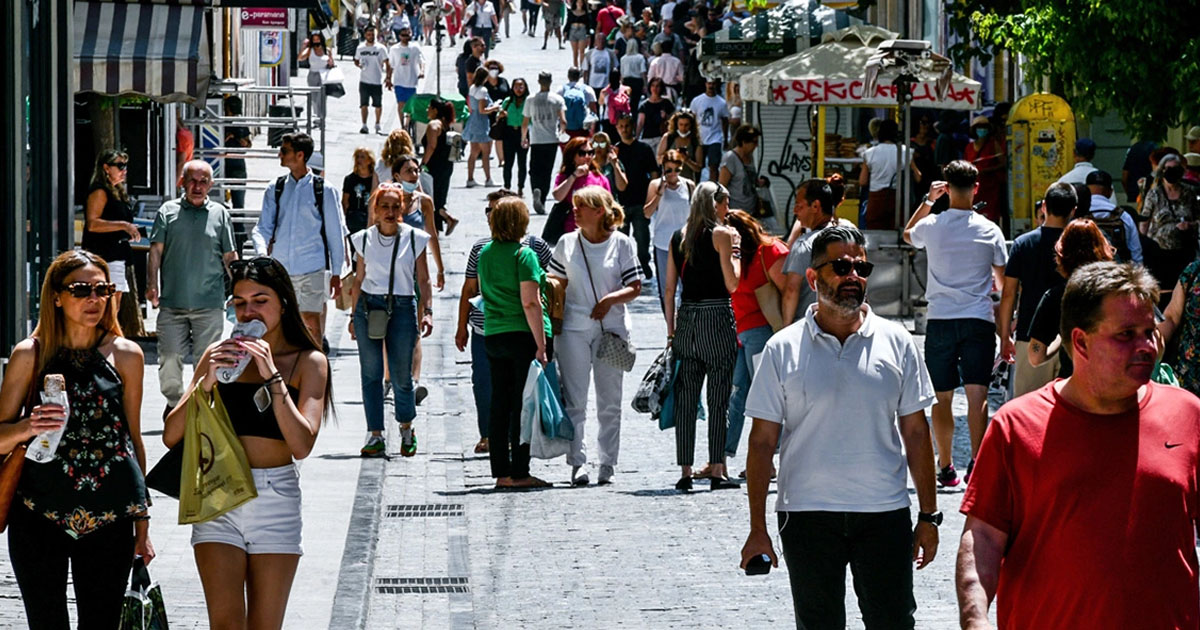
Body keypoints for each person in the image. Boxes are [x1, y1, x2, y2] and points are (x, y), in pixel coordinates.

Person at [958, 262, 1200, 628]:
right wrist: (974, 619)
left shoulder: (1188, 414)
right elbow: (983, 539)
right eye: (1126, 334)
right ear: (1081, 342)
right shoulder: (1016, 426)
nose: (1146, 346)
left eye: (1149, 331)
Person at [740, 224, 939, 630]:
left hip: (883, 513)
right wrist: (757, 529)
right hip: (807, 514)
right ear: (812, 277)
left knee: (894, 623)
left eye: (861, 268)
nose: (854, 277)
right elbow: (761, 444)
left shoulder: (897, 341)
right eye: (841, 267)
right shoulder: (782, 349)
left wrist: (929, 516)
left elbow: (917, 433)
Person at [163, 256, 331, 629]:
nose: (249, 311)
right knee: (224, 623)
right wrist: (206, 382)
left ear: (282, 303)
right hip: (219, 493)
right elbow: (171, 435)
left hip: (275, 499)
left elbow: (302, 443)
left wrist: (273, 375)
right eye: (239, 303)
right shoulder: (216, 355)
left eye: (260, 300)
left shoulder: (308, 361)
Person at [0, 250, 153, 629]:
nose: (94, 300)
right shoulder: (30, 355)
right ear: (56, 295)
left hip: (110, 513)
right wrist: (27, 427)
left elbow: (131, 440)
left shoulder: (126, 355)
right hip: (38, 512)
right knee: (46, 622)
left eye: (103, 290)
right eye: (81, 289)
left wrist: (143, 523)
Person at [903, 161, 1007, 488]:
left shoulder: (932, 224)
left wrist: (928, 200)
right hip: (978, 319)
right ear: (976, 188)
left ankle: (946, 466)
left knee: (942, 396)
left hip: (941, 319)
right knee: (978, 395)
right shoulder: (990, 230)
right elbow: (1003, 284)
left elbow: (908, 234)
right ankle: (977, 463)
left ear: (946, 188)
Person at [549, 186, 642, 486]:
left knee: (609, 401)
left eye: (581, 207)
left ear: (599, 211)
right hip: (573, 330)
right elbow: (555, 282)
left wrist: (610, 300)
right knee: (575, 399)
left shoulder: (622, 244)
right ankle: (578, 462)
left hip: (611, 330)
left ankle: (608, 463)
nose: (574, 211)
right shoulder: (566, 243)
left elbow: (635, 286)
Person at [457, 190, 553, 454]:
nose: (491, 216)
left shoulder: (526, 248)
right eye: (488, 211)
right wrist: (461, 326)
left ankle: (501, 459)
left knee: (501, 394)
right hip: (513, 330)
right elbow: (528, 301)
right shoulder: (500, 251)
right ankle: (513, 456)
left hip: (496, 330)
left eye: (495, 211)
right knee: (503, 389)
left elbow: (553, 280)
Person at [663, 181, 740, 491]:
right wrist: (736, 251)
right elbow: (732, 283)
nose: (728, 209)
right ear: (714, 204)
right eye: (725, 203)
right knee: (718, 396)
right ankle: (718, 468)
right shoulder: (721, 235)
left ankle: (686, 470)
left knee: (686, 398)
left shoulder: (678, 237)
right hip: (716, 316)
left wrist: (670, 332)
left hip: (687, 319)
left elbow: (669, 289)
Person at [347, 184, 434, 457]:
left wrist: (427, 311)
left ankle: (406, 427)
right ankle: (375, 434)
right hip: (368, 306)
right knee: (370, 373)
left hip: (402, 306)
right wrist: (352, 315)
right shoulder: (362, 238)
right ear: (374, 209)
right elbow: (359, 279)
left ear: (403, 209)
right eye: (384, 206)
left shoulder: (415, 238)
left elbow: (423, 279)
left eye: (395, 206)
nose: (390, 211)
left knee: (400, 374)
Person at [147, 160, 238, 414]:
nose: (198, 187)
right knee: (168, 358)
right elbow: (155, 251)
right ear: (183, 182)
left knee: (206, 361)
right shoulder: (168, 211)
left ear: (210, 184)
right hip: (172, 303)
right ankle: (175, 404)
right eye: (193, 181)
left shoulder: (220, 214)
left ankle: (201, 404)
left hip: (209, 303)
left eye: (203, 181)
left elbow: (230, 256)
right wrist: (152, 285)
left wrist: (240, 291)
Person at [252, 132, 348, 348]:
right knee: (279, 325)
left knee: (311, 323)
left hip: (311, 268)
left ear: (300, 155)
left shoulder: (323, 190)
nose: (280, 154)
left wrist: (336, 273)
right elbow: (263, 227)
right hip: (280, 270)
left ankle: (316, 374)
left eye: (284, 151)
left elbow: (335, 233)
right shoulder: (275, 188)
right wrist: (261, 254)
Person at [722, 209, 787, 467]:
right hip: (741, 333)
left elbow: (789, 289)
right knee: (737, 395)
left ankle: (771, 458)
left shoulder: (768, 251)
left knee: (766, 398)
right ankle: (722, 457)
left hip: (761, 332)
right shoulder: (735, 257)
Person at [997, 182, 1074, 398]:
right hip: (1072, 337)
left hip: (1029, 335)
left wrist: (1005, 335)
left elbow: (1009, 293)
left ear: (1044, 207)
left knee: (1028, 411)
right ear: (1073, 210)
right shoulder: (1078, 244)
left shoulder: (1023, 244)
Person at [1026, 218, 1115, 380]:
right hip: (1116, 382)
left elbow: (1035, 355)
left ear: (1062, 255)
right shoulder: (1121, 289)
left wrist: (1062, 339)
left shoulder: (1056, 296)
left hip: (1075, 386)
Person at [780, 176, 842, 325]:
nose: (795, 211)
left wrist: (785, 329)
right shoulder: (848, 239)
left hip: (808, 327)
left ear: (815, 206)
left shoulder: (805, 244)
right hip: (842, 326)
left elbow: (791, 290)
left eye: (799, 205)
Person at [83, 149, 141, 306]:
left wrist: (129, 229)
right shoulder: (100, 191)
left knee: (114, 305)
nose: (124, 170)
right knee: (107, 305)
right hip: (104, 256)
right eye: (120, 166)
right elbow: (93, 224)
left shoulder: (118, 191)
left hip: (118, 254)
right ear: (106, 168)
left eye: (126, 166)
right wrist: (123, 225)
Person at [644, 149, 695, 307]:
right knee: (667, 289)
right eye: (668, 170)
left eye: (676, 170)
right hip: (663, 243)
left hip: (685, 243)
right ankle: (670, 326)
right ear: (663, 168)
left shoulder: (689, 185)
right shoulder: (655, 185)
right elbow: (647, 213)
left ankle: (685, 323)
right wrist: (659, 194)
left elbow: (694, 213)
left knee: (687, 287)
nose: (672, 174)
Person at [1142, 153, 1200, 289]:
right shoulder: (1154, 194)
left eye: (1175, 168)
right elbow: (1145, 221)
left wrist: (1190, 225)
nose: (1172, 172)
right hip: (1160, 252)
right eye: (1168, 168)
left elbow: (1198, 218)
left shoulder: (1189, 193)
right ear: (1162, 170)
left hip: (1184, 251)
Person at [614, 114, 659, 278]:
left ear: (632, 127)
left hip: (641, 200)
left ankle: (644, 263)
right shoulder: (615, 151)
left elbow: (654, 172)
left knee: (642, 237)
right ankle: (623, 269)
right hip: (621, 203)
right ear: (617, 128)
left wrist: (654, 196)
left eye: (627, 126)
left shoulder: (644, 149)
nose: (625, 129)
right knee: (620, 239)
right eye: (621, 126)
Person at [392, 155, 447, 284]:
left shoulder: (424, 201)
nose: (414, 175)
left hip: (416, 266)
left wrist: (440, 269)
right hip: (389, 264)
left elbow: (432, 236)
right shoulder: (386, 201)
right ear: (397, 176)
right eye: (408, 171)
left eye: (416, 171)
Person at [861, 119, 920, 230]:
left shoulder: (869, 153)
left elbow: (862, 181)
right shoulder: (906, 152)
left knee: (875, 235)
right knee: (897, 235)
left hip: (876, 200)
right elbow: (918, 177)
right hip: (898, 200)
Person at [523, 71, 568, 214]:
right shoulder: (557, 99)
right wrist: (561, 132)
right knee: (547, 171)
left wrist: (524, 137)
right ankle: (542, 198)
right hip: (551, 139)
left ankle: (536, 188)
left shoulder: (530, 99)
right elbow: (563, 121)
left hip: (536, 139)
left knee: (534, 169)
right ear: (550, 81)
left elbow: (525, 122)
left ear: (538, 81)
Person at [552, 137, 612, 235]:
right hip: (571, 230)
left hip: (595, 231)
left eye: (590, 153)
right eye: (582, 154)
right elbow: (558, 196)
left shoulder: (599, 178)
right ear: (572, 156)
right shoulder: (565, 176)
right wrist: (574, 176)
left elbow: (609, 205)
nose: (587, 157)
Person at [1083, 169, 1142, 263]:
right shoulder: (1123, 216)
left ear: (1086, 190)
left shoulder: (1078, 215)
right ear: (1110, 192)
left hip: (1086, 274)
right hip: (1117, 273)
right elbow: (1136, 253)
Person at [421, 98, 460, 233]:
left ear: (435, 110)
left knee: (431, 199)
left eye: (429, 108)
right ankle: (444, 221)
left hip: (434, 167)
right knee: (439, 197)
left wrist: (423, 163)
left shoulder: (433, 125)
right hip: (446, 166)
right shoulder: (445, 124)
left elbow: (431, 146)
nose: (427, 110)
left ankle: (443, 221)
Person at [964, 115, 1006, 226]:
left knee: (990, 216)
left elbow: (1003, 163)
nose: (982, 130)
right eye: (979, 127)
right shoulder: (969, 147)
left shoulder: (993, 144)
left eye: (984, 127)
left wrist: (987, 170)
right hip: (974, 188)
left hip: (990, 187)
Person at [384, 26, 426, 130]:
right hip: (399, 81)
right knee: (401, 104)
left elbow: (421, 60)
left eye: (408, 35)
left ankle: (408, 124)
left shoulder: (415, 48)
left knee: (411, 106)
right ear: (399, 36)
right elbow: (391, 65)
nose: (406, 37)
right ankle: (402, 125)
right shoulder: (394, 49)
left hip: (411, 81)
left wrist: (422, 71)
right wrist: (388, 78)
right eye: (403, 35)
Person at [464, 67, 499, 188]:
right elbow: (482, 110)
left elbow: (471, 106)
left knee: (473, 152)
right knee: (486, 152)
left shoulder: (472, 88)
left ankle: (470, 178)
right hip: (481, 122)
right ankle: (488, 179)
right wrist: (495, 107)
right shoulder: (483, 91)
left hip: (473, 120)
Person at [688, 79, 729, 181]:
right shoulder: (697, 101)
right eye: (709, 83)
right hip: (700, 138)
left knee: (713, 166)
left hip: (715, 138)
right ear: (705, 84)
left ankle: (712, 188)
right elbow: (691, 118)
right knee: (698, 166)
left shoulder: (721, 103)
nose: (711, 86)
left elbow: (725, 121)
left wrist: (725, 139)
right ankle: (696, 187)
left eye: (713, 83)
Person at [719, 124, 762, 214]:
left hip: (751, 209)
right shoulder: (730, 158)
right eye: (754, 142)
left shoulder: (749, 157)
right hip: (736, 211)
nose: (756, 146)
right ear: (743, 142)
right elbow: (722, 187)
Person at [354, 25, 389, 135]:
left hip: (376, 80)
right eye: (369, 35)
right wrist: (359, 65)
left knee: (378, 105)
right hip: (364, 81)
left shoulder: (381, 48)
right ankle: (364, 125)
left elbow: (387, 62)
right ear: (365, 35)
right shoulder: (360, 48)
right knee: (364, 104)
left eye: (372, 35)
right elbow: (356, 60)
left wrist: (388, 77)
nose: (371, 37)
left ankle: (377, 123)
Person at [499, 77, 531, 194]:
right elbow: (499, 114)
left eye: (521, 86)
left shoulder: (528, 101)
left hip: (523, 133)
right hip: (509, 133)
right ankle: (507, 186)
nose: (519, 89)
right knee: (508, 162)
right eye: (516, 86)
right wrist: (501, 114)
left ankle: (520, 187)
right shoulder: (508, 101)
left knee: (522, 163)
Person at [223, 96, 252, 212]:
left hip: (235, 164)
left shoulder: (239, 123)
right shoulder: (221, 121)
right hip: (226, 164)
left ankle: (239, 227)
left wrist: (236, 137)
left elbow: (248, 144)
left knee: (238, 204)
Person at [656, 110, 702, 181]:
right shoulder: (668, 138)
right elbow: (658, 159)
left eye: (686, 125)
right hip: (668, 180)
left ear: (691, 125)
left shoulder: (695, 141)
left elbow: (698, 168)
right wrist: (672, 157)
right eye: (681, 124)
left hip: (687, 180)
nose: (683, 128)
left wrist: (686, 160)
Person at [343, 147, 379, 236]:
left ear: (369, 161)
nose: (359, 160)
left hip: (369, 218)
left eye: (362, 157)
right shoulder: (350, 179)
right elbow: (345, 202)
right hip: (354, 219)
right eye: (357, 157)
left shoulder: (375, 179)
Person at [298, 32, 334, 119]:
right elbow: (300, 58)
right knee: (314, 98)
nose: (316, 41)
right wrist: (304, 47)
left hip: (324, 76)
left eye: (318, 39)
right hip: (313, 75)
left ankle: (321, 118)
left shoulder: (327, 50)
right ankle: (316, 117)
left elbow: (332, 64)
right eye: (314, 40)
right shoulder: (310, 50)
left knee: (322, 98)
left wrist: (330, 63)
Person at [482, 59, 512, 165]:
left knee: (500, 137)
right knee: (488, 137)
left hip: (501, 113)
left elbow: (509, 96)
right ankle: (486, 158)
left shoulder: (503, 81)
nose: (493, 71)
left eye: (496, 68)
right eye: (491, 69)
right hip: (488, 114)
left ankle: (501, 159)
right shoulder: (484, 84)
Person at [560, 66, 599, 139]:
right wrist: (592, 132)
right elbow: (593, 111)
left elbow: (557, 110)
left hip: (566, 129)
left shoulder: (561, 90)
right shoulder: (588, 89)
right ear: (579, 77)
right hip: (582, 129)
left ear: (568, 76)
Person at [637, 77, 674, 149]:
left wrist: (666, 117)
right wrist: (637, 137)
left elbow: (673, 119)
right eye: (653, 85)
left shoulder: (666, 102)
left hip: (661, 137)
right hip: (647, 137)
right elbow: (640, 123)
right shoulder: (644, 105)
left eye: (657, 86)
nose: (655, 88)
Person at [618, 24, 647, 107]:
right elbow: (643, 72)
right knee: (635, 102)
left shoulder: (623, 58)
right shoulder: (640, 58)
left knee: (626, 102)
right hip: (637, 82)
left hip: (626, 81)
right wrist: (645, 84)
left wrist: (621, 84)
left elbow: (622, 73)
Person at [598, 71, 632, 139]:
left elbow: (600, 103)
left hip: (608, 119)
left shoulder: (604, 92)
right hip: (623, 119)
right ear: (620, 77)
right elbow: (629, 99)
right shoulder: (626, 89)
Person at [566, 0, 592, 68]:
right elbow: (568, 23)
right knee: (575, 52)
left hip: (582, 31)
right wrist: (565, 32)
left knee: (582, 52)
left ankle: (582, 68)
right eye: (578, 2)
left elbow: (588, 25)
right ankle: (575, 68)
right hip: (573, 31)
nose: (579, 4)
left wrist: (588, 35)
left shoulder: (586, 13)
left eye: (581, 2)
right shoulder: (571, 12)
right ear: (576, 3)